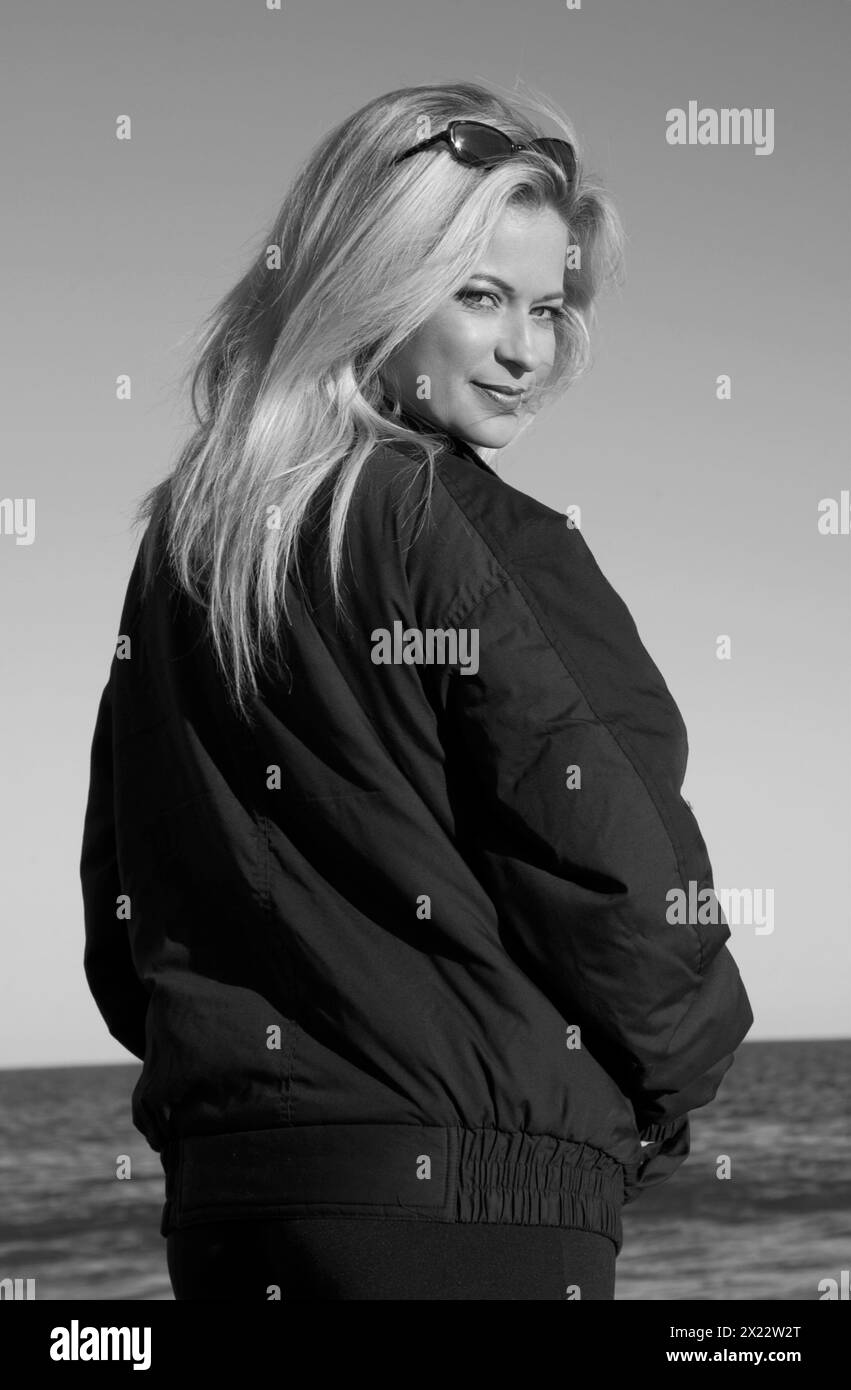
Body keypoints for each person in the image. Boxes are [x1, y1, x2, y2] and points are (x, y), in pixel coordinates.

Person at [79, 79, 754, 1302]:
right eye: (478, 294)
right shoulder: (475, 534)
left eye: (546, 307)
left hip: (233, 1208)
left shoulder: (188, 552)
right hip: (475, 1213)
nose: (523, 350)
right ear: (368, 287)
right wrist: (656, 1101)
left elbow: (124, 902)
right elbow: (620, 871)